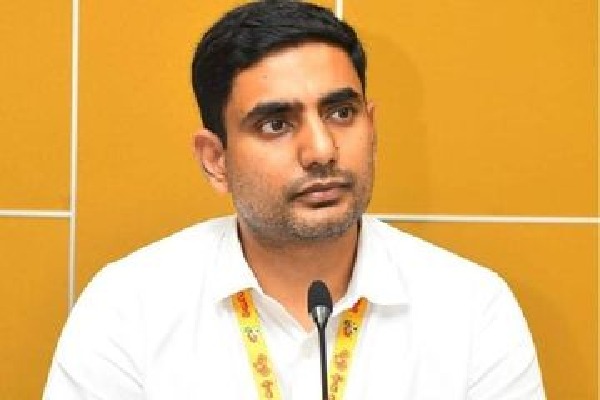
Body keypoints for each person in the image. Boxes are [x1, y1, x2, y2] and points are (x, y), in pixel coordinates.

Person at [43, 1, 546, 399]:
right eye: (276, 124)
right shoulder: (128, 307)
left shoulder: (471, 309)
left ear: (372, 128)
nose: (321, 150)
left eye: (341, 113)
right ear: (216, 160)